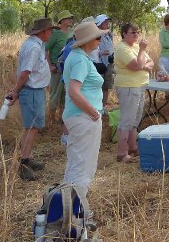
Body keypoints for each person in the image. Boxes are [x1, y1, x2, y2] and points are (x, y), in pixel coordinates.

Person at [62, 21, 105, 206]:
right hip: (84, 117)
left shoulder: (78, 56)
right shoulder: (80, 59)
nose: (100, 41)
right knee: (84, 166)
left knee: (76, 163)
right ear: (87, 41)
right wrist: (93, 113)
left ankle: (68, 208)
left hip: (78, 116)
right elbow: (74, 91)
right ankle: (76, 212)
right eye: (98, 38)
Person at [7, 17, 54, 181]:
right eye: (50, 30)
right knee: (32, 127)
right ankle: (23, 164)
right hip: (32, 91)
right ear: (43, 32)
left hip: (35, 91)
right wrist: (16, 91)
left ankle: (26, 158)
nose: (52, 32)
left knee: (31, 127)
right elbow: (25, 73)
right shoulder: (33, 47)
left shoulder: (37, 45)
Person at [113, 23, 155, 163]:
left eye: (137, 32)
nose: (136, 34)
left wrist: (143, 64)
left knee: (135, 119)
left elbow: (151, 62)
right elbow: (136, 65)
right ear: (124, 33)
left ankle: (133, 147)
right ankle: (121, 153)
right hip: (128, 87)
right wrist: (142, 53)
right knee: (127, 120)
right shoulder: (122, 49)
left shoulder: (136, 47)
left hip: (139, 86)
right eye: (133, 32)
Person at [46, 10, 75, 144]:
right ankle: (50, 122)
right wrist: (50, 65)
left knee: (65, 95)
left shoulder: (73, 32)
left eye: (71, 18)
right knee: (54, 94)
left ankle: (62, 120)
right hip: (57, 69)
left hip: (68, 69)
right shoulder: (56, 34)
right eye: (68, 18)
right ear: (62, 20)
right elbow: (47, 50)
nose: (70, 20)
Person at [93, 14, 114, 111]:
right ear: (100, 23)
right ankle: (97, 108)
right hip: (99, 65)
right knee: (98, 87)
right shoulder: (95, 35)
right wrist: (101, 53)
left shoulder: (109, 34)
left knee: (106, 87)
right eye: (105, 22)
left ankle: (103, 107)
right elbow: (92, 52)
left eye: (107, 22)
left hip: (109, 64)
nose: (107, 23)